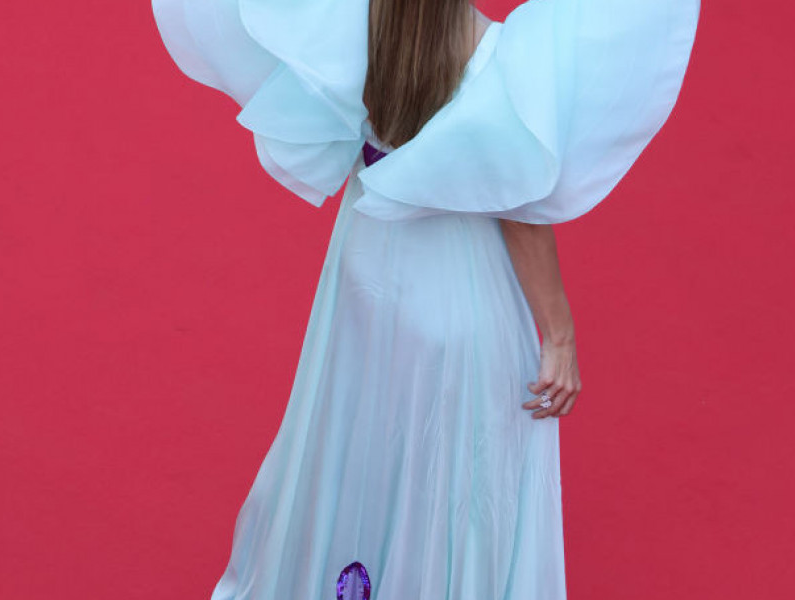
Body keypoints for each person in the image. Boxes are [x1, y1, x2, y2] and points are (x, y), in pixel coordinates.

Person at [151, 0, 699, 597]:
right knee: (454, 479)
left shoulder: (355, 28)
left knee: (361, 443)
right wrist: (560, 336)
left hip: (365, 275)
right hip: (458, 295)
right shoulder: (495, 58)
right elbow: (520, 211)